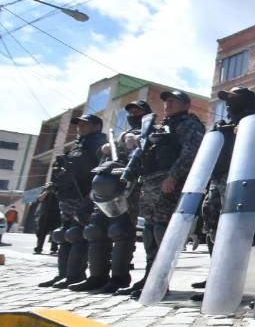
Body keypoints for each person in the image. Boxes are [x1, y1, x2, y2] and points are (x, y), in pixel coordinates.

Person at [120, 91, 204, 299]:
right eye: (166, 101)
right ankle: (149, 276)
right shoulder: (160, 124)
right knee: (149, 231)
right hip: (150, 183)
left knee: (161, 231)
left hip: (170, 183)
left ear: (186, 104)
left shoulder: (190, 124)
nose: (168, 104)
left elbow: (190, 153)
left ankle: (160, 281)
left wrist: (173, 177)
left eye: (174, 101)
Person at [190, 87, 255, 301]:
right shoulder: (222, 124)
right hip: (217, 178)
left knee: (234, 231)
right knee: (212, 225)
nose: (228, 105)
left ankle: (230, 281)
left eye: (233, 100)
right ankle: (216, 276)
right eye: (227, 101)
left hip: (241, 180)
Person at [71, 101, 151, 293]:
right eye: (130, 110)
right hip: (105, 189)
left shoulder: (151, 131)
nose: (133, 113)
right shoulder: (119, 135)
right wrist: (106, 148)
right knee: (95, 230)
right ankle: (97, 277)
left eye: (138, 110)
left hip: (128, 188)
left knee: (120, 230)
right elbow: (104, 155)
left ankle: (119, 278)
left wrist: (128, 138)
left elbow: (147, 152)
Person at [38, 114, 106, 288]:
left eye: (85, 124)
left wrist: (90, 198)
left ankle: (75, 275)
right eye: (79, 124)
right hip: (67, 196)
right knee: (63, 235)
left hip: (83, 197)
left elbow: (100, 170)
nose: (80, 127)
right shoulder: (80, 144)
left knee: (76, 235)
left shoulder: (99, 143)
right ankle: (64, 274)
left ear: (97, 126)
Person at [33, 184, 61, 254]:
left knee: (55, 232)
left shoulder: (59, 191)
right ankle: (39, 248)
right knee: (41, 232)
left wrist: (55, 191)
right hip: (45, 214)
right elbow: (40, 199)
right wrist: (47, 191)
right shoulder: (46, 191)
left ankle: (54, 248)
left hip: (56, 214)